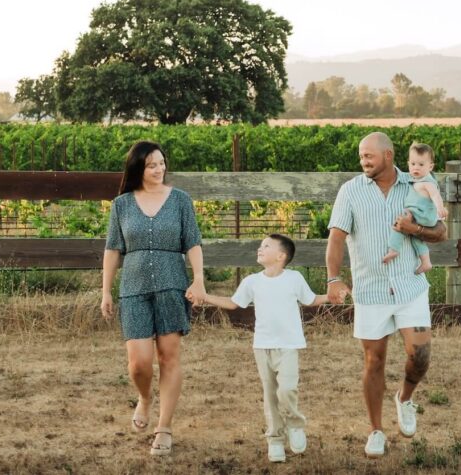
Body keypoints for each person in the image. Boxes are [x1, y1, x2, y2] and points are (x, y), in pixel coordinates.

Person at [325, 132, 447, 458]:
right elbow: (336, 238)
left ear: (389, 155)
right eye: (361, 156)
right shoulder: (350, 191)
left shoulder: (417, 182)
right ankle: (375, 430)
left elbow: (440, 232)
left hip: (410, 285)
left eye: (370, 155)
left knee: (420, 355)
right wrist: (334, 278)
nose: (364, 161)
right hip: (371, 289)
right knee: (373, 360)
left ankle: (405, 398)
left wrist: (415, 231)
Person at [100, 140, 207, 457]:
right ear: (138, 169)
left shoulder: (180, 201)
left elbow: (194, 243)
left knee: (169, 357)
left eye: (162, 163)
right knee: (138, 363)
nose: (159, 169)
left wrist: (198, 279)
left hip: (172, 285)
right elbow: (112, 249)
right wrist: (106, 289)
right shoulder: (121, 204)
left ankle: (164, 428)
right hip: (133, 288)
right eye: (151, 165)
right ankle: (145, 397)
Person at [195, 234, 328, 463]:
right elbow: (234, 303)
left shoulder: (294, 278)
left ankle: (295, 424)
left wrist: (330, 296)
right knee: (270, 395)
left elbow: (310, 299)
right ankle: (275, 439)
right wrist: (205, 297)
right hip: (262, 346)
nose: (259, 248)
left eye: (266, 246)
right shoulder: (252, 281)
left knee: (287, 390)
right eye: (260, 245)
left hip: (288, 345)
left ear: (281, 256)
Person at [381, 142, 447, 274]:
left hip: (421, 214)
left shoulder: (427, 182)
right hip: (421, 216)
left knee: (400, 225)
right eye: (413, 164)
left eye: (421, 165)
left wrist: (441, 208)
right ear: (408, 164)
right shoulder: (415, 179)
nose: (416, 168)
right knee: (416, 238)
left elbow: (435, 195)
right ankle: (426, 262)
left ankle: (393, 249)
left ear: (430, 166)